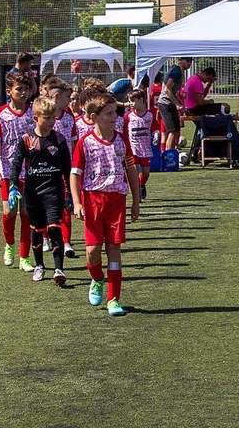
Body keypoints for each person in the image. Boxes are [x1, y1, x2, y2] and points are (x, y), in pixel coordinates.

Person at [70, 93, 140, 317]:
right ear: (93, 117)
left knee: (114, 250)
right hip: (92, 201)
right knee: (92, 253)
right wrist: (77, 201)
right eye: (109, 114)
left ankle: (114, 299)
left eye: (115, 112)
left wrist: (136, 201)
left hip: (116, 201)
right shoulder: (85, 142)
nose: (115, 117)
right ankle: (97, 279)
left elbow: (130, 169)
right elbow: (75, 174)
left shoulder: (122, 140)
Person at [8, 97, 71, 285]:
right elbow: (16, 163)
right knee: (37, 230)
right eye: (47, 117)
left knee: (54, 228)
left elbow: (67, 168)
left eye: (53, 116)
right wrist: (12, 186)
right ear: (35, 117)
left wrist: (72, 195)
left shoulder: (59, 139)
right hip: (32, 193)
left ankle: (59, 269)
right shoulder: (26, 139)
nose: (52, 120)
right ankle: (40, 266)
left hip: (54, 192)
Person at [0, 71, 35, 271]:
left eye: (25, 89)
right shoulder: (0, 114)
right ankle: (9, 245)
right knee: (9, 211)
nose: (23, 93)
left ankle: (24, 257)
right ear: (9, 91)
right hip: (8, 170)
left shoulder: (33, 112)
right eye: (19, 89)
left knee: (26, 212)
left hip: (30, 170)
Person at [46, 77, 78, 258]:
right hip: (45, 170)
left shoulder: (69, 117)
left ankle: (66, 242)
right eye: (68, 98)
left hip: (65, 169)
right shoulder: (43, 116)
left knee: (66, 205)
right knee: (45, 205)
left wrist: (73, 165)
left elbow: (73, 142)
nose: (70, 102)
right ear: (57, 97)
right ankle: (44, 237)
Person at [125, 89, 160, 202]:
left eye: (133, 101)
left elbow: (155, 128)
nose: (131, 103)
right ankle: (137, 194)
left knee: (145, 172)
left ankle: (141, 185)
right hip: (132, 149)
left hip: (145, 148)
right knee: (133, 172)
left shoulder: (149, 115)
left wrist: (156, 135)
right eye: (129, 101)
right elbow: (124, 132)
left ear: (141, 100)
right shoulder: (128, 116)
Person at [156, 57, 192, 150]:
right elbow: (167, 89)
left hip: (169, 103)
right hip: (165, 104)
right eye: (187, 61)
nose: (189, 63)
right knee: (171, 131)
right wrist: (177, 104)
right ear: (181, 60)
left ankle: (171, 153)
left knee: (175, 130)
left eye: (191, 61)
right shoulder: (176, 71)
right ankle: (169, 156)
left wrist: (180, 103)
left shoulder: (179, 71)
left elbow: (173, 91)